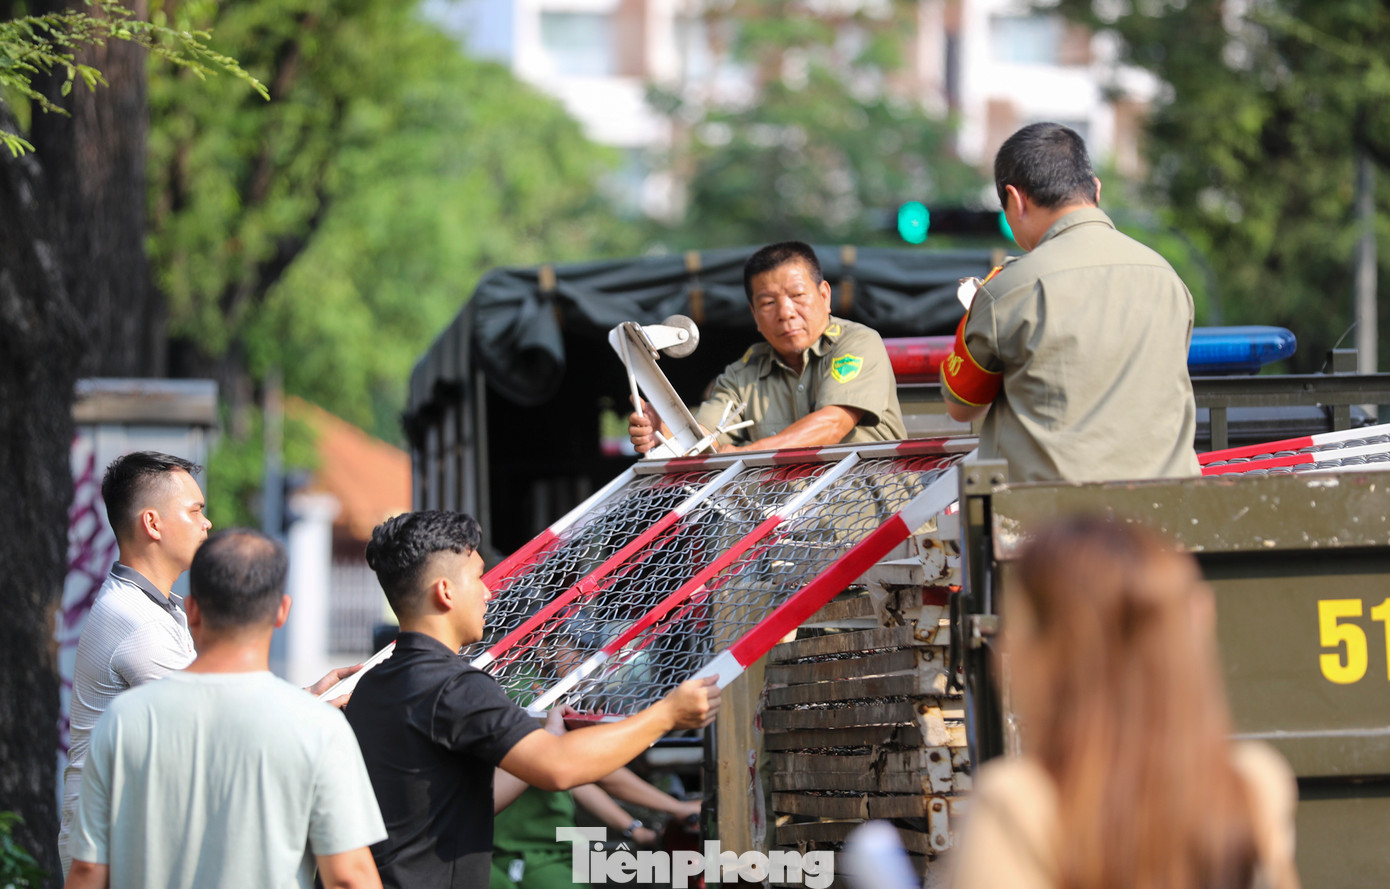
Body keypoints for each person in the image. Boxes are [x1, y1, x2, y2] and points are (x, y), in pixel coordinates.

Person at [344, 510, 721, 889]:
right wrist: (667, 714)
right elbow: (560, 769)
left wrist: (550, 737)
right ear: (446, 592)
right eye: (478, 578)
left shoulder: (375, 684)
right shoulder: (456, 687)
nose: (488, 592)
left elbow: (457, 806)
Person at [952, 517, 1300, 889]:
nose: (1002, 651)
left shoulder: (1017, 805)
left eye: (1016, 628)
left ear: (1062, 653)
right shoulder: (1254, 785)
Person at [59, 451, 359, 876]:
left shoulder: (150, 606)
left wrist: (307, 696)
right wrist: (308, 716)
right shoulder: (136, 623)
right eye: (195, 510)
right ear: (152, 523)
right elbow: (219, 715)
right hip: (109, 855)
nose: (207, 523)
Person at [940, 122, 1201, 481]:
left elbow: (962, 404)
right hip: (1169, 514)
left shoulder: (1010, 289)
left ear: (1015, 201)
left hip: (1052, 525)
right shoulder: (1169, 278)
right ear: (1095, 189)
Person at [629, 240, 905, 454]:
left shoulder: (858, 342)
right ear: (755, 316)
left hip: (880, 524)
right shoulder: (741, 376)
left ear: (824, 295)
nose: (785, 312)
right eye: (768, 303)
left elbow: (831, 424)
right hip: (792, 526)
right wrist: (664, 432)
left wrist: (747, 455)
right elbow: (704, 440)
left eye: (797, 295)